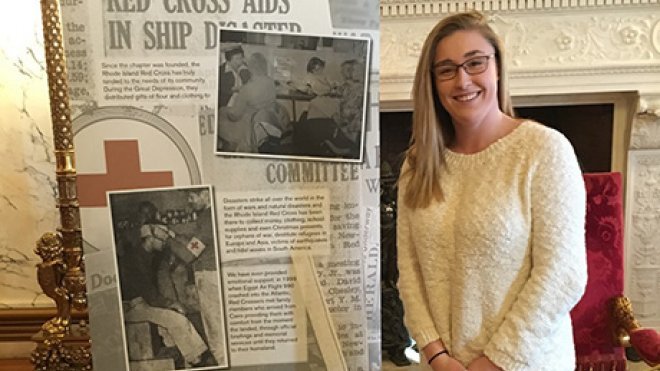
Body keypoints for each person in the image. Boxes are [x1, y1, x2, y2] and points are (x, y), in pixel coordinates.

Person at [396, 11, 587, 371]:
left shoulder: (543, 150)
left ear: (497, 68)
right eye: (447, 69)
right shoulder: (418, 164)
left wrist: (493, 362)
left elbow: (563, 275)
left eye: (475, 63)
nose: (462, 80)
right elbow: (410, 271)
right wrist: (435, 355)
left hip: (527, 363)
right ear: (433, 82)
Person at [117, 201, 212, 368]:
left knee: (171, 325)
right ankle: (196, 361)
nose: (164, 243)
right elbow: (149, 294)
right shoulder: (133, 259)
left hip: (143, 303)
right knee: (175, 319)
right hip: (130, 306)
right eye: (161, 239)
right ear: (150, 238)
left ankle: (186, 360)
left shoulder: (151, 257)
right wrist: (171, 304)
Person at [217, 52, 279, 152]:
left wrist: (225, 111)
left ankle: (228, 148)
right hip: (265, 124)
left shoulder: (246, 89)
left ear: (250, 68)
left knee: (220, 114)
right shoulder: (271, 82)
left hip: (249, 128)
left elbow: (234, 115)